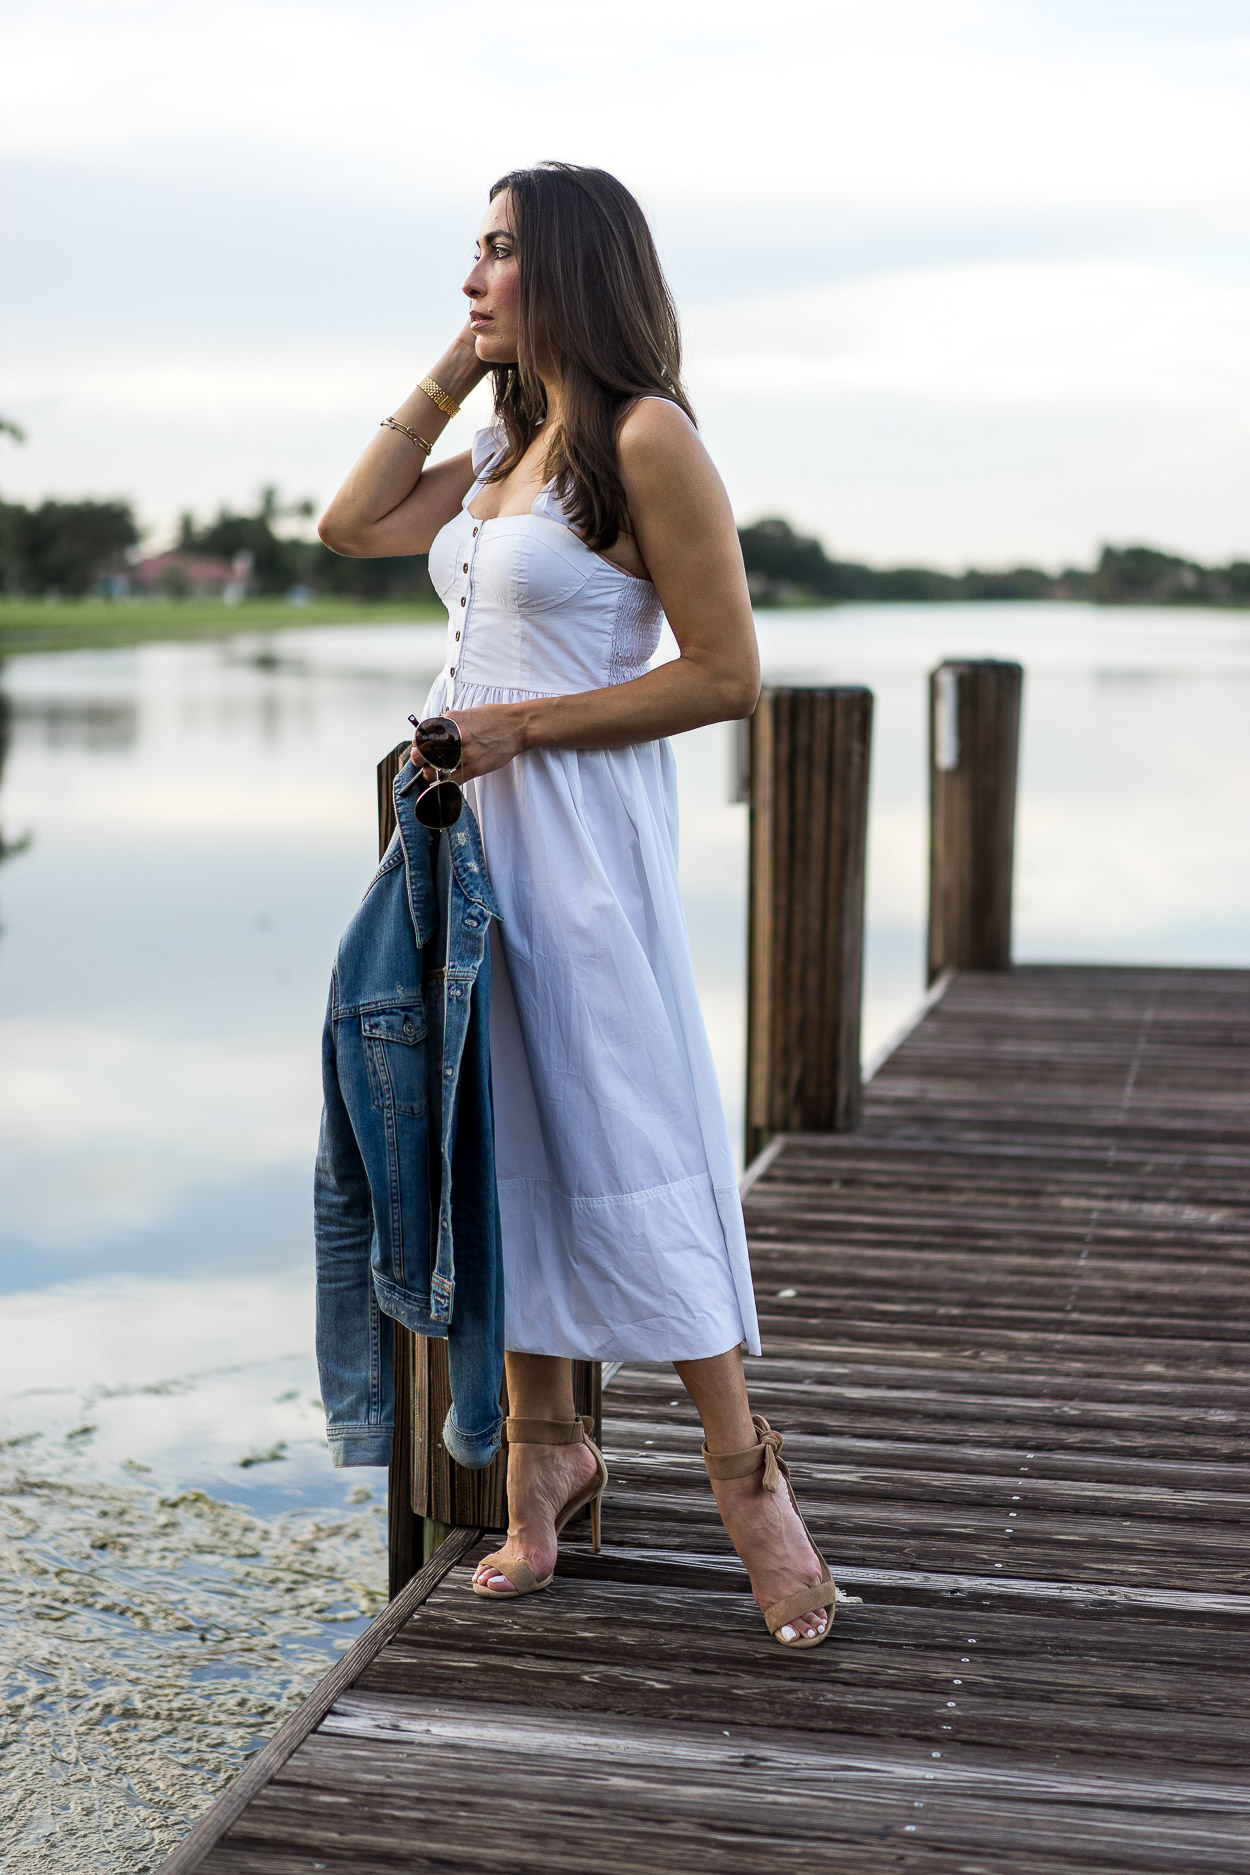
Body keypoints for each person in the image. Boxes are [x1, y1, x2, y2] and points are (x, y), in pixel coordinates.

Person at [318, 162, 836, 1648]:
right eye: (470, 252)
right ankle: (545, 1453)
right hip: (463, 850)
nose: (470, 276)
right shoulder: (507, 444)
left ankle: (747, 1477)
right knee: (499, 1134)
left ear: (572, 269)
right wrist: (461, 360)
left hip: (579, 847)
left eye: (496, 255)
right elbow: (350, 525)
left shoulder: (640, 434)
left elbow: (728, 676)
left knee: (626, 1131)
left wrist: (522, 727)